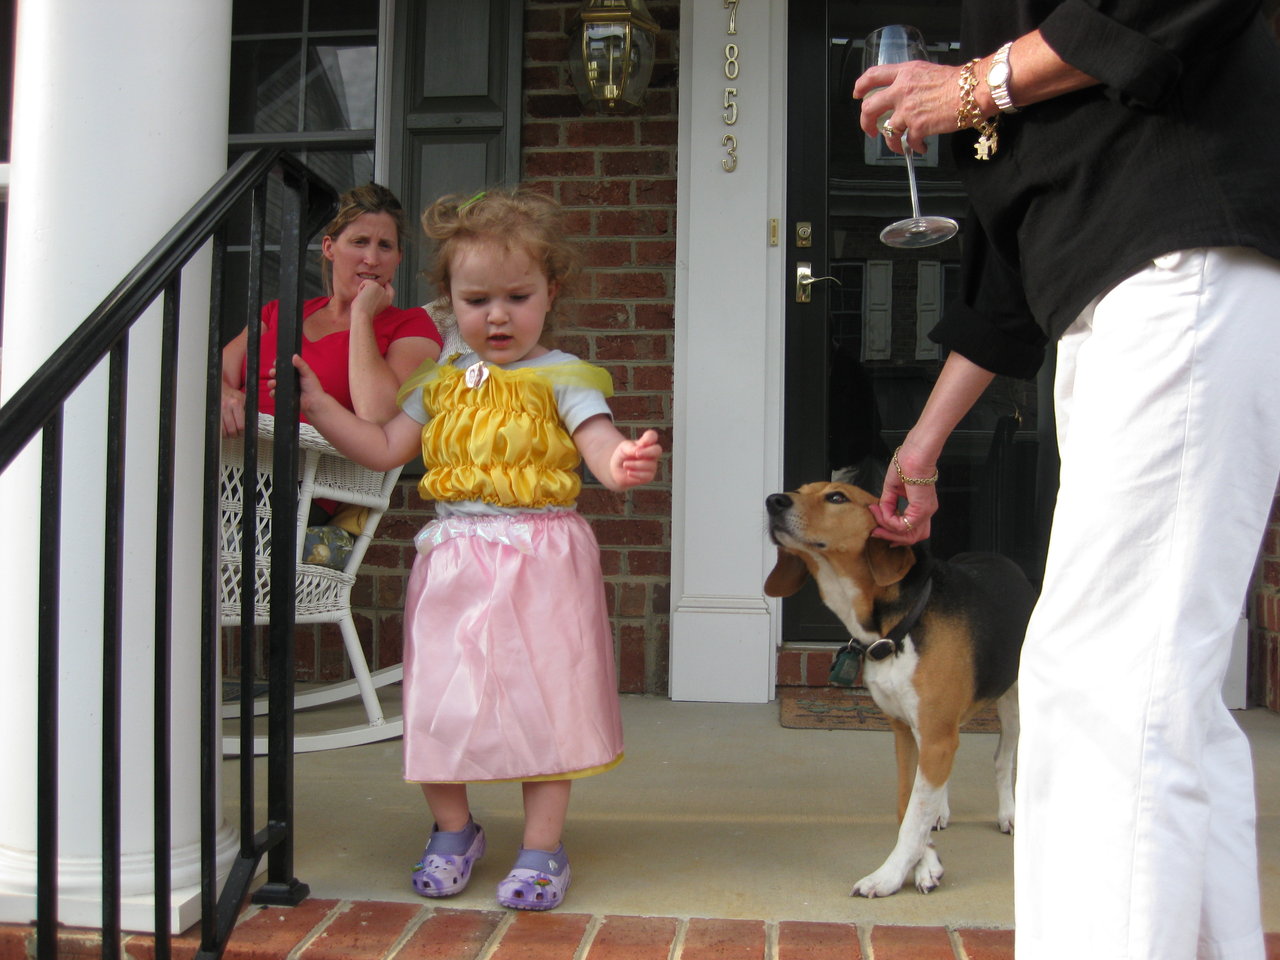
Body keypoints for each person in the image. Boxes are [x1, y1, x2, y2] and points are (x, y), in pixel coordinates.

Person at [853, 5, 1280, 959]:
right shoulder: (1006, 51)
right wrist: (921, 447)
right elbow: (1009, 277)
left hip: (1177, 264)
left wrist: (973, 86)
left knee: (1103, 679)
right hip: (1115, 296)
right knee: (1159, 691)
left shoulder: (1003, 61)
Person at [291, 188, 662, 911]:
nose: (497, 316)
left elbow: (597, 441)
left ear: (551, 294)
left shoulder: (563, 376)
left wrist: (621, 463)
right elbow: (383, 446)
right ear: (448, 303)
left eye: (518, 297)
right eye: (476, 299)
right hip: (455, 557)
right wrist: (320, 407)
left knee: (547, 699)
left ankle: (542, 847)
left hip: (543, 559)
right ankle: (454, 830)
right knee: (440, 698)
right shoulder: (437, 382)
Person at [220, 182, 443, 438]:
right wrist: (224, 394)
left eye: (385, 246)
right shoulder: (279, 312)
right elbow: (216, 373)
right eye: (359, 242)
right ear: (329, 248)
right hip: (233, 455)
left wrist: (362, 315)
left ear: (398, 257)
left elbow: (380, 417)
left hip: (313, 462)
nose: (372, 259)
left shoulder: (412, 326)